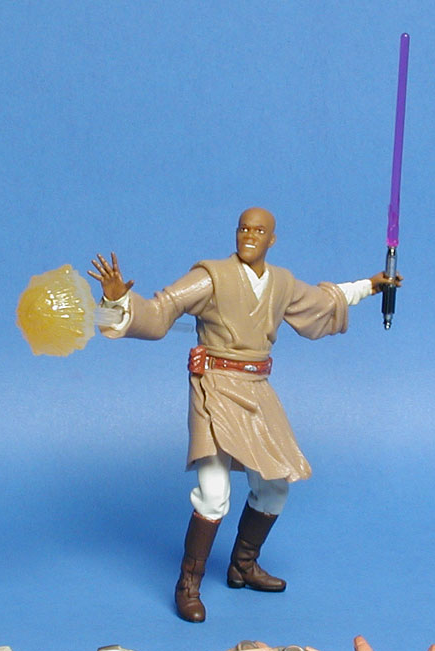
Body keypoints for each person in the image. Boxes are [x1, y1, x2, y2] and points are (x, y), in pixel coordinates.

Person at [89, 207, 402, 623]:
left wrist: (371, 285)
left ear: (272, 239)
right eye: (243, 228)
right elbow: (161, 311)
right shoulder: (210, 276)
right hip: (214, 390)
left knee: (275, 485)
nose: (249, 236)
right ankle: (188, 584)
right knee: (214, 492)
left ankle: (243, 565)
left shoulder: (281, 283)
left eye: (258, 230)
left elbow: (323, 301)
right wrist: (117, 301)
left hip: (256, 391)